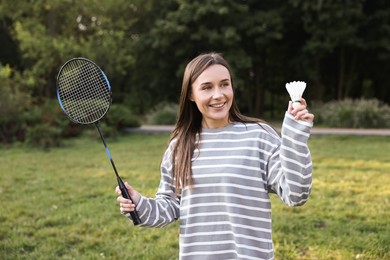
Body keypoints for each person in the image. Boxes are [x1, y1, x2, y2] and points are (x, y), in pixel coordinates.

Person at [116, 52, 314, 260]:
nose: (218, 94)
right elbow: (170, 206)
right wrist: (138, 204)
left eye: (224, 84)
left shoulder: (259, 136)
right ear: (191, 94)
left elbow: (296, 194)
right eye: (207, 87)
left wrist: (294, 139)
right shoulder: (180, 146)